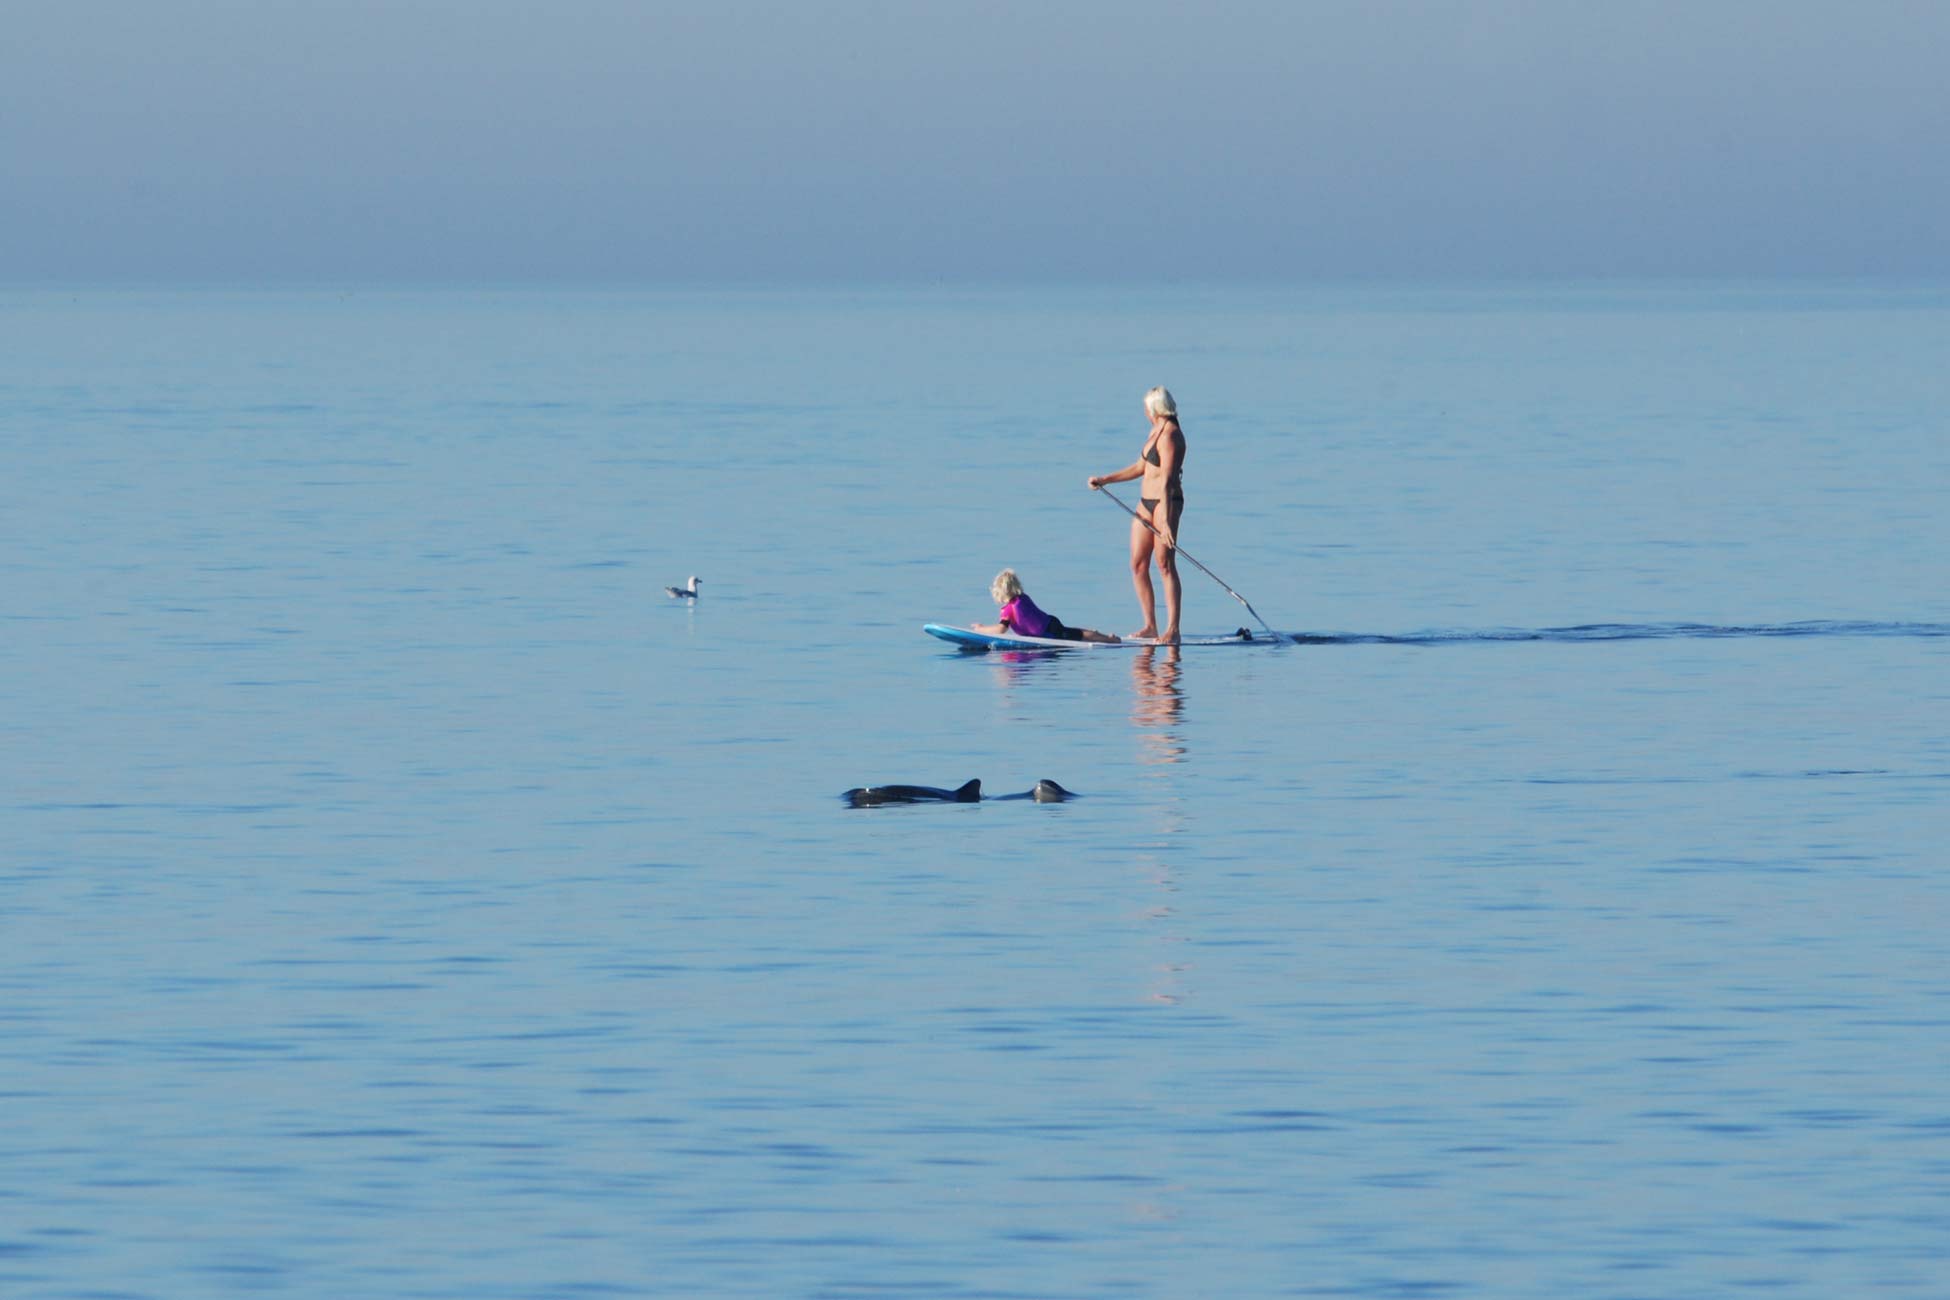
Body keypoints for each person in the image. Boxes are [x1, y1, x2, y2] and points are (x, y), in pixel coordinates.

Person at [1088, 386, 1185, 642]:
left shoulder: (1171, 436)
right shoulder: (1155, 431)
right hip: (1146, 503)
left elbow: (1166, 480)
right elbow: (1141, 467)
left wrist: (1165, 520)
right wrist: (1105, 479)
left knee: (1164, 565)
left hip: (1167, 503)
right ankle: (1150, 625)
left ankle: (1173, 629)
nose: (1144, 412)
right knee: (1138, 564)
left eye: (1146, 407)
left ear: (1155, 408)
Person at [972, 569, 1120, 642]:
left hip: (1050, 631)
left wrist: (981, 629)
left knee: (1078, 636)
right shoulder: (1022, 598)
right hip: (1050, 625)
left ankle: (1109, 639)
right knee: (1075, 633)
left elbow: (1001, 629)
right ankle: (1098, 634)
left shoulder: (1009, 608)